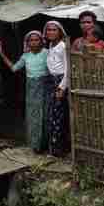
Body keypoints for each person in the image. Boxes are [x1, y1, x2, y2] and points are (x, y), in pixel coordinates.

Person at [0, 31, 48, 152]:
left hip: (45, 86)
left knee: (44, 114)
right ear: (27, 43)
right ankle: (34, 144)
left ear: (41, 41)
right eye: (31, 40)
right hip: (31, 87)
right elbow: (14, 68)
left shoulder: (47, 53)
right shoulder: (26, 56)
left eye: (36, 40)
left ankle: (44, 144)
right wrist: (1, 54)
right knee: (32, 115)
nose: (34, 42)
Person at [43, 20, 70, 157]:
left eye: (54, 30)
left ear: (60, 32)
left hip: (60, 82)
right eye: (48, 30)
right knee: (52, 115)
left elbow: (67, 69)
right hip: (51, 82)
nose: (51, 32)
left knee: (58, 116)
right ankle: (53, 149)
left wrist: (62, 87)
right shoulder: (50, 46)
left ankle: (58, 151)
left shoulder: (63, 46)